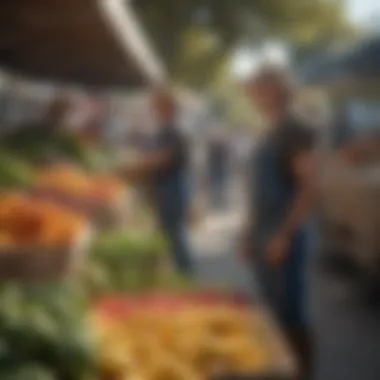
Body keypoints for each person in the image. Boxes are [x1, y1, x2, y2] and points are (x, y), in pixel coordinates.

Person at [241, 66, 316, 379]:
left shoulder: (296, 129)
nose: (257, 95)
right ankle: (282, 372)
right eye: (254, 90)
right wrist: (247, 232)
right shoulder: (267, 129)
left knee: (290, 315)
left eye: (263, 88)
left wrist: (283, 236)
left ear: (280, 90)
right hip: (262, 232)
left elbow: (310, 188)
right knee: (272, 312)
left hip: (284, 233)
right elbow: (256, 191)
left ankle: (303, 372)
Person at [121, 88, 193, 275]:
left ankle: (187, 275)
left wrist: (137, 165)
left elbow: (164, 158)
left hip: (172, 188)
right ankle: (176, 274)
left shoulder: (176, 131)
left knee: (174, 236)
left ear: (169, 107)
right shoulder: (164, 130)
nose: (154, 109)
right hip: (164, 188)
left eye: (158, 105)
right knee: (166, 234)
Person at [207, 130, 230, 209]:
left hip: (220, 170)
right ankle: (217, 202)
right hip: (216, 170)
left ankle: (220, 202)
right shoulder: (213, 149)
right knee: (216, 187)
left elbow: (225, 159)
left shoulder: (221, 148)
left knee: (220, 186)